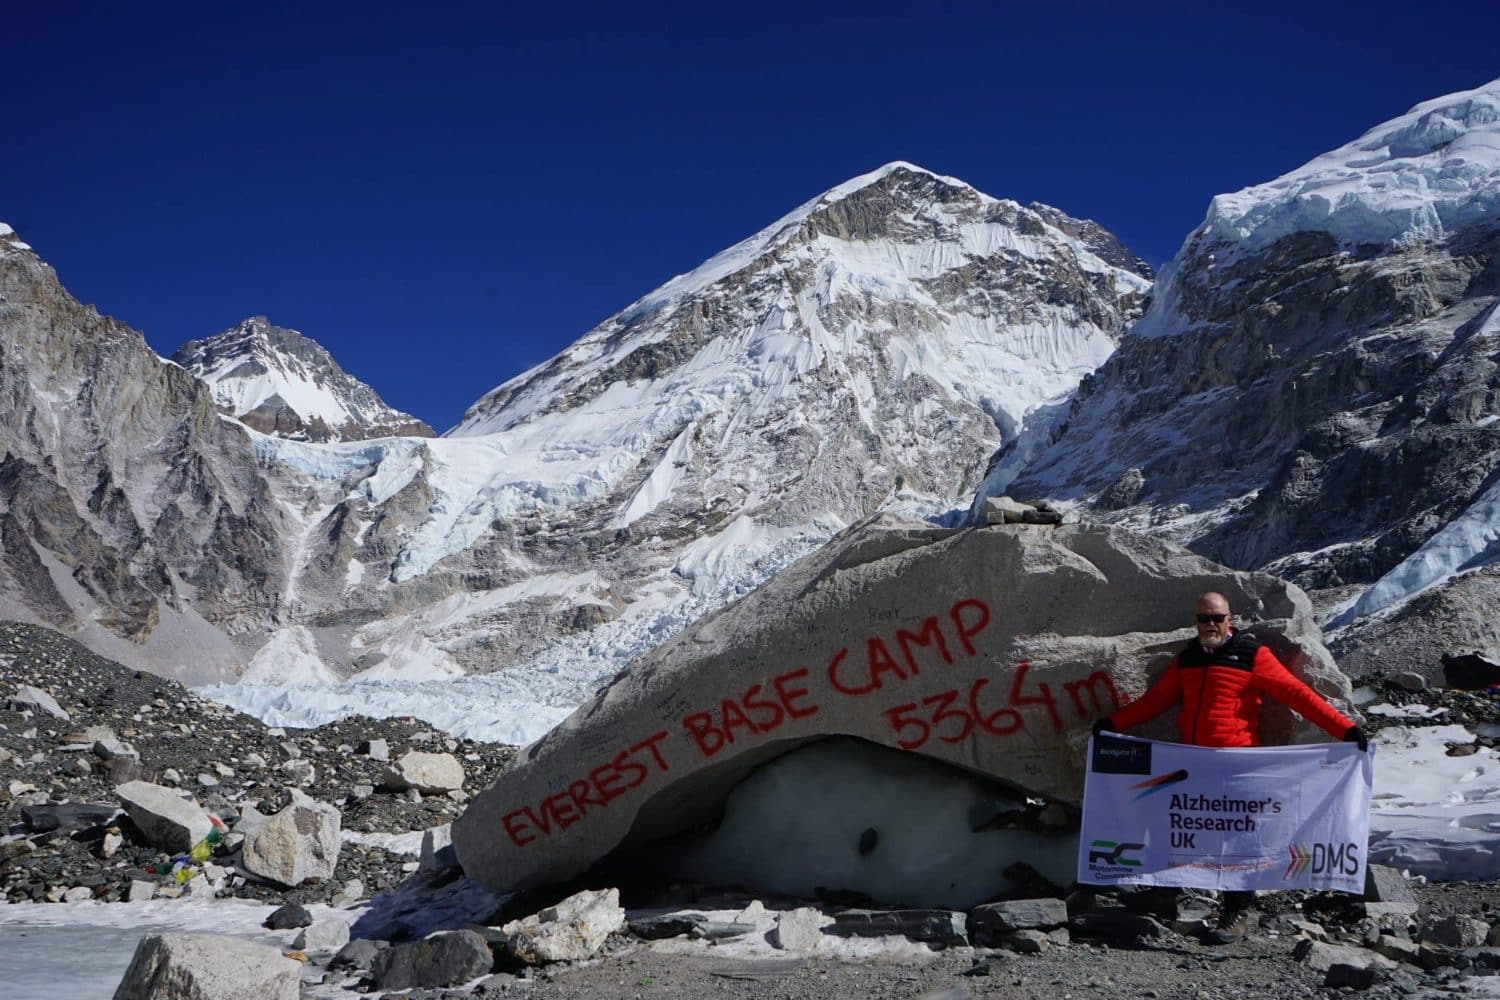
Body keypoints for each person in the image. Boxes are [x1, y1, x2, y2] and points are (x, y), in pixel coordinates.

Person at [1092, 591, 1368, 943]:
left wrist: (1343, 728)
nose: (1210, 624)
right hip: (1190, 763)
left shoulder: (1253, 655)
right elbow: (1158, 701)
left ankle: (1236, 911)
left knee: (1236, 840)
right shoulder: (1188, 658)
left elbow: (1296, 694)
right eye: (1203, 619)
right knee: (1178, 828)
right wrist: (1114, 724)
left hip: (1237, 765)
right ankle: (1165, 895)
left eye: (1216, 618)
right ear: (1196, 622)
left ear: (1230, 619)